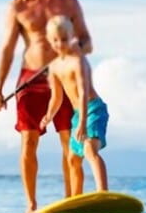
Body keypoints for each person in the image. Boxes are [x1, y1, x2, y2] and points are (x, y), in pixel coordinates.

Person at [0, 0, 92, 213]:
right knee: (29, 141)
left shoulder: (69, 3)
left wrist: (68, 52)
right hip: (30, 80)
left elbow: (87, 42)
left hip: (65, 78)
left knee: (70, 142)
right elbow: (7, 49)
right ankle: (31, 205)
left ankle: (72, 201)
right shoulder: (18, 6)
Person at [40, 15, 109, 195]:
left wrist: (83, 123)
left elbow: (84, 91)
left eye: (64, 39)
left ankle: (103, 193)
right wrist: (49, 115)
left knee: (88, 150)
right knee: (72, 159)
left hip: (92, 109)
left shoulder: (77, 61)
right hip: (78, 115)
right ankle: (76, 198)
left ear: (71, 37)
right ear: (49, 40)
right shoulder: (54, 67)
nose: (60, 44)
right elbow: (57, 97)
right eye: (55, 40)